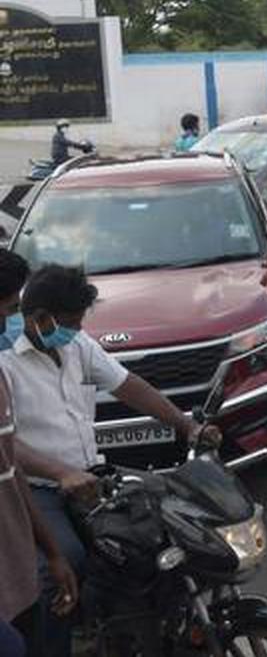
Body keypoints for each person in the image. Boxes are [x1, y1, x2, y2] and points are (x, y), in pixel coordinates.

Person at [6, 265, 218, 657]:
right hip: (37, 488)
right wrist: (60, 472)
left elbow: (128, 386)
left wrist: (185, 425)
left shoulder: (76, 344)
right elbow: (5, 444)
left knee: (160, 530)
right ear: (39, 318)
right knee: (64, 563)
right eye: (68, 323)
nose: (74, 330)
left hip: (91, 476)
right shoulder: (5, 360)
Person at [0, 252, 77, 657]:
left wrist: (49, 551)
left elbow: (10, 471)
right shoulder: (8, 365)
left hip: (17, 565)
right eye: (11, 309)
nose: (13, 320)